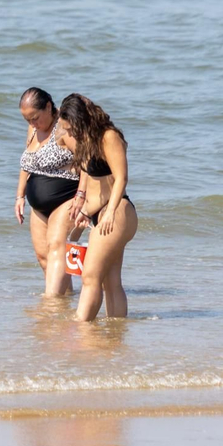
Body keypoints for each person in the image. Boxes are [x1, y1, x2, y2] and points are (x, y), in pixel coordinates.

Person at [58, 93, 138, 321]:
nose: (69, 134)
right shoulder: (88, 139)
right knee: (110, 282)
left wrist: (110, 212)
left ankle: (79, 329)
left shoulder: (109, 136)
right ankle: (116, 333)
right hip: (101, 212)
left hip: (118, 211)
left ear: (81, 120)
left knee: (90, 277)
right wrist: (85, 207)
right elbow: (94, 179)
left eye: (70, 128)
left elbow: (121, 178)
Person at [15, 87, 79, 296]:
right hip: (38, 203)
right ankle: (64, 299)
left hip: (67, 196)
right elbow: (27, 163)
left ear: (49, 107)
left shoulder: (65, 126)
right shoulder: (33, 130)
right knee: (43, 257)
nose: (32, 123)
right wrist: (20, 196)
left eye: (35, 117)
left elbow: (88, 160)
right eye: (27, 120)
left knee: (56, 249)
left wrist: (83, 196)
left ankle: (50, 303)